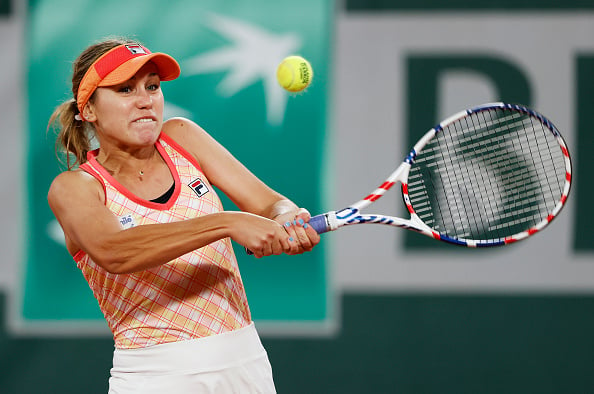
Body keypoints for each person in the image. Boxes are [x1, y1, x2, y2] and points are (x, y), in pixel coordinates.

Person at [47, 37, 320, 393]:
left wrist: (287, 218)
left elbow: (271, 204)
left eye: (152, 87)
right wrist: (227, 223)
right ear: (89, 110)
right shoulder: (75, 187)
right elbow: (115, 250)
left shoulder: (183, 137)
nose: (145, 101)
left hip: (246, 364)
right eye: (126, 90)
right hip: (157, 377)